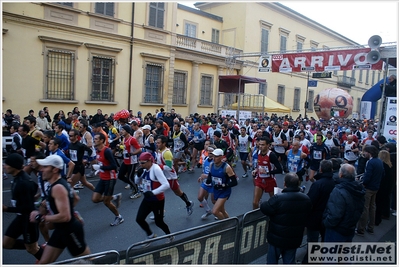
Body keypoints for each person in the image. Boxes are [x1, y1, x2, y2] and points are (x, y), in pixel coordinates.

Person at [30, 154, 91, 264]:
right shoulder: (58, 183)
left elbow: (65, 216)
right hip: (60, 229)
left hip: (70, 230)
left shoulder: (58, 187)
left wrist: (41, 216)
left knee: (90, 262)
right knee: (43, 262)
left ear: (55, 169)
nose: (42, 170)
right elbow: (76, 198)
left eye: (45, 167)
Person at [260, 173, 312, 264]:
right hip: (294, 237)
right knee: (289, 260)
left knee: (272, 261)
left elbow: (265, 208)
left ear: (285, 184)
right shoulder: (306, 199)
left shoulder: (278, 198)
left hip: (277, 237)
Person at [3, 153, 43, 262]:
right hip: (20, 217)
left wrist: (7, 209)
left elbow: (28, 208)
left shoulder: (23, 182)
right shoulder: (17, 177)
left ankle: (49, 260)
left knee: (32, 249)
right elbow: (34, 187)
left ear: (14, 166)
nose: (4, 166)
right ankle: (38, 247)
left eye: (6, 164)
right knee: (6, 243)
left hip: (29, 219)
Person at [135, 152, 173, 246]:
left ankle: (170, 236)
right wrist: (138, 175)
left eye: (143, 163)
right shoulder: (144, 169)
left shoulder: (156, 169)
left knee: (158, 222)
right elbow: (136, 182)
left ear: (149, 161)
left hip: (157, 200)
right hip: (147, 199)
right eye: (140, 162)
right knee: (139, 219)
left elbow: (166, 185)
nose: (141, 165)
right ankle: (150, 235)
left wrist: (153, 192)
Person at [302, 160, 335, 263]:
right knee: (324, 238)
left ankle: (311, 261)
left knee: (313, 241)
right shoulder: (334, 182)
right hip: (328, 215)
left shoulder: (318, 184)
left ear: (320, 169)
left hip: (315, 217)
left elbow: (310, 201)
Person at [323, 164, 365, 242]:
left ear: (341, 174)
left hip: (337, 230)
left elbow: (335, 214)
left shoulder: (339, 190)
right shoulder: (358, 188)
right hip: (350, 227)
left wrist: (326, 222)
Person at [156, 135, 194, 216]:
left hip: (170, 177)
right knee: (158, 193)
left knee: (178, 193)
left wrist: (158, 167)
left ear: (164, 143)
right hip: (162, 176)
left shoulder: (167, 153)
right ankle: (160, 211)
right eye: (157, 143)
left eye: (159, 143)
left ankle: (188, 204)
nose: (157, 144)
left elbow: (169, 167)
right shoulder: (159, 151)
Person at [91, 132, 124, 226]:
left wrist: (100, 168)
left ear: (102, 140)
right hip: (103, 177)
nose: (94, 140)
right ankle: (114, 197)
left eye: (96, 139)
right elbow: (102, 163)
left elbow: (114, 166)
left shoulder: (107, 151)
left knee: (106, 202)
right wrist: (99, 170)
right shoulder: (97, 150)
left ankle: (119, 217)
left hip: (110, 178)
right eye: (94, 139)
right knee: (95, 199)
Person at [355, 145, 384, 236]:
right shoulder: (379, 161)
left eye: (365, 152)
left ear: (369, 153)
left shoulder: (370, 162)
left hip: (369, 187)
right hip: (376, 187)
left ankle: (361, 229)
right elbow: (383, 173)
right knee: (372, 207)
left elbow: (368, 176)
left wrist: (363, 184)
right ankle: (371, 227)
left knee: (365, 208)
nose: (364, 153)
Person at [204, 148, 237, 220]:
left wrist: (224, 185)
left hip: (224, 191)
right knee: (222, 210)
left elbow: (234, 182)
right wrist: (208, 180)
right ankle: (231, 222)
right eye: (213, 156)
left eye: (216, 156)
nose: (214, 158)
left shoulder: (226, 167)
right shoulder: (211, 165)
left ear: (221, 157)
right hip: (216, 190)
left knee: (215, 211)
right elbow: (210, 175)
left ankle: (225, 224)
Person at [251, 137, 282, 209]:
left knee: (275, 202)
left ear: (268, 145)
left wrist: (268, 172)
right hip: (260, 179)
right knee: (255, 203)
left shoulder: (271, 155)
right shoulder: (258, 152)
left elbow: (280, 170)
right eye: (260, 144)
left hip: (270, 180)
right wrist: (256, 170)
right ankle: (256, 218)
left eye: (263, 145)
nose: (260, 146)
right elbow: (259, 164)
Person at [118, 125, 142, 199]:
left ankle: (137, 191)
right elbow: (125, 148)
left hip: (132, 161)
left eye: (123, 130)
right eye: (121, 130)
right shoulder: (124, 139)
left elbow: (139, 149)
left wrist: (131, 154)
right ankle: (133, 186)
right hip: (126, 160)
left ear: (127, 131)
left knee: (130, 178)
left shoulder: (132, 139)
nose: (121, 131)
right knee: (120, 176)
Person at [375, 150, 394, 225]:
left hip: (381, 187)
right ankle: (384, 215)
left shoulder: (382, 165)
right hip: (388, 186)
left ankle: (378, 219)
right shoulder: (390, 165)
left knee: (378, 203)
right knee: (385, 200)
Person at [197, 145, 216, 219]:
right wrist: (201, 176)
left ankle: (218, 212)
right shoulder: (205, 158)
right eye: (209, 151)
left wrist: (207, 176)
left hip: (213, 183)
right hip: (205, 182)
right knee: (200, 197)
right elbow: (204, 170)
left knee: (214, 201)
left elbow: (216, 174)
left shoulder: (215, 161)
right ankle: (208, 211)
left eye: (211, 152)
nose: (210, 153)